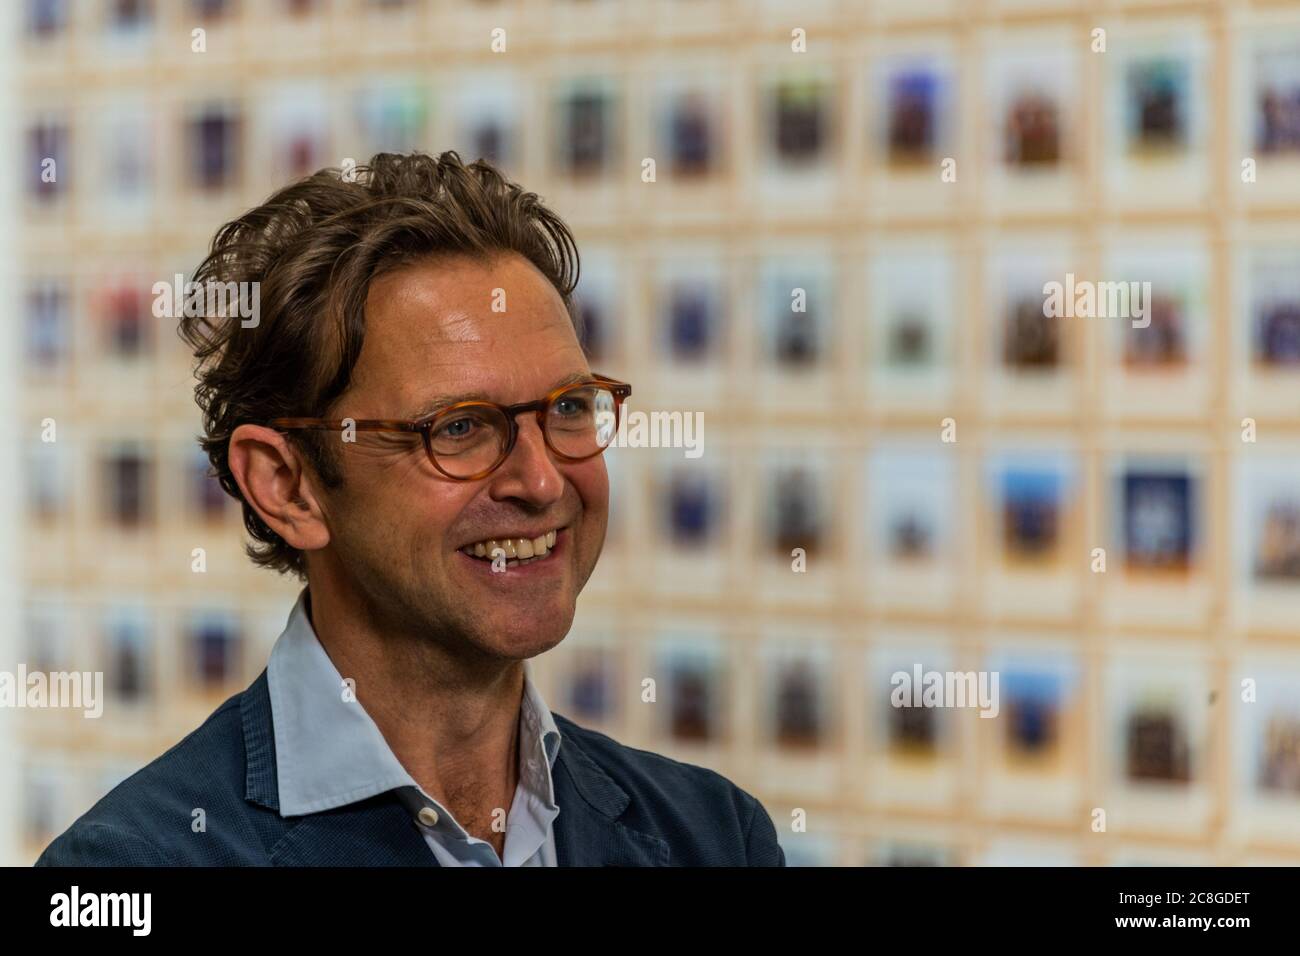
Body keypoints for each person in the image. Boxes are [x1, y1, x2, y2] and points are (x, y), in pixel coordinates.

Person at [37, 150, 783, 867]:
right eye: (458, 427)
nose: (544, 481)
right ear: (287, 486)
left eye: (568, 407)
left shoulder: (715, 835)